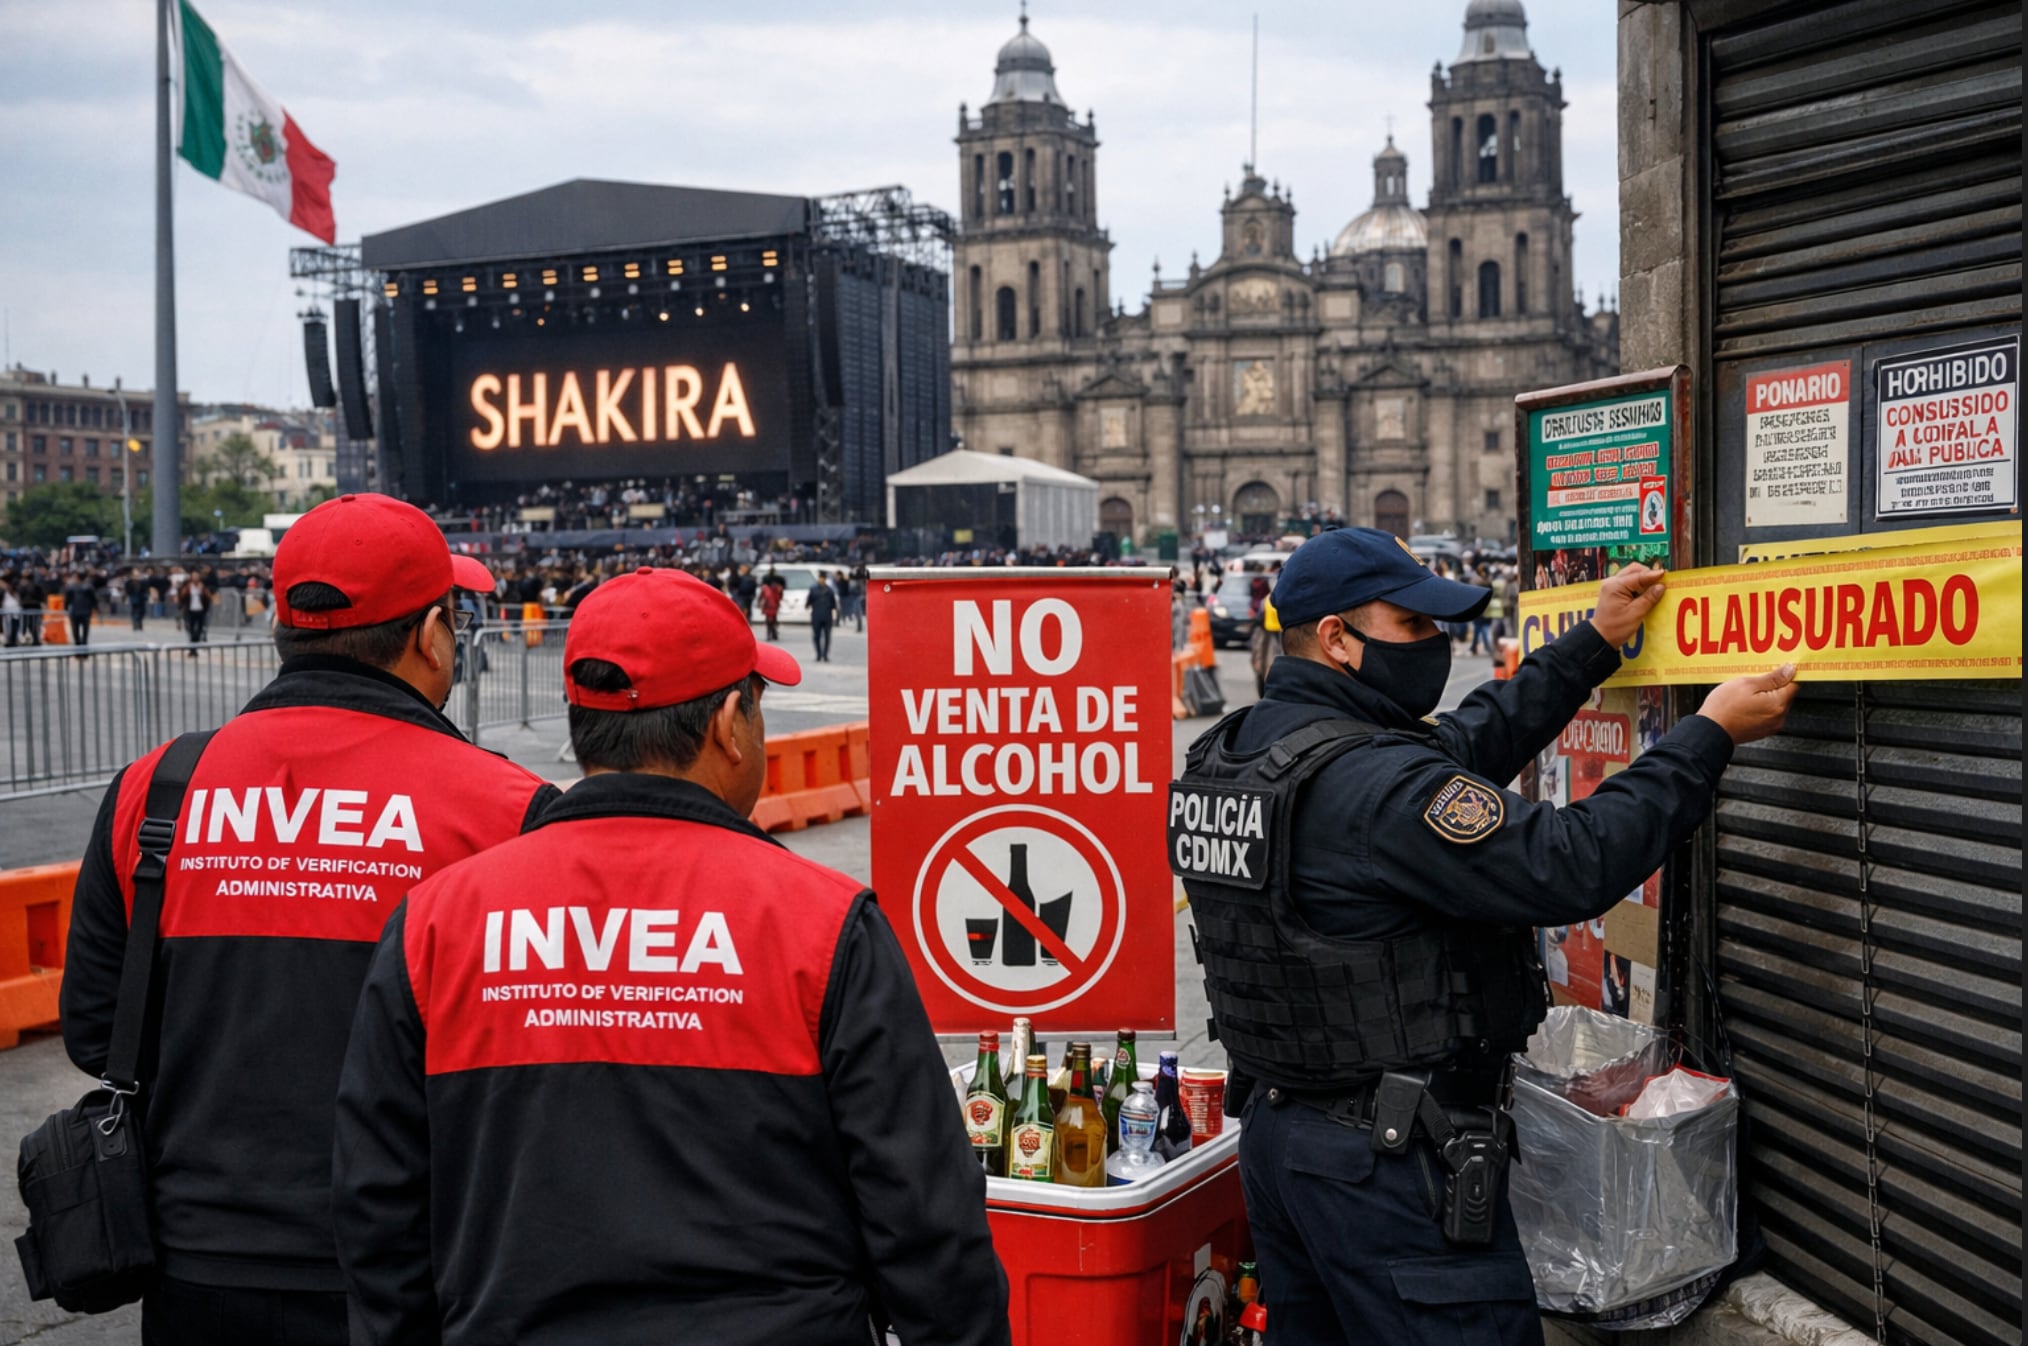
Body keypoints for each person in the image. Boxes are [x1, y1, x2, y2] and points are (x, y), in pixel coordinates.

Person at [332, 568, 1009, 1345]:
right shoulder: (825, 926)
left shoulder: (438, 924)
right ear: (728, 724)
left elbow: (378, 1205)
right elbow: (927, 1220)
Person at [1169, 527, 1798, 1346]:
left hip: (1283, 1143)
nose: (1434, 641)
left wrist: (1593, 641)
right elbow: (1570, 862)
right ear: (1336, 639)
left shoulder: (1238, 755)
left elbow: (1466, 741)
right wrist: (1706, 736)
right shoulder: (1374, 784)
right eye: (1411, 625)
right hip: (1391, 1169)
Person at [60, 493, 560, 1346]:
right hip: (420, 1268)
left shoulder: (158, 789)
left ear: (283, 624)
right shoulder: (509, 810)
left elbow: (95, 1029)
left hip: (196, 1264)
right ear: (432, 635)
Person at [808, 567, 838, 662]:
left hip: (827, 616)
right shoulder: (813, 589)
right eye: (820, 578)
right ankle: (818, 654)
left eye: (823, 578)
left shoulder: (829, 590)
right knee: (816, 636)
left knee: (827, 636)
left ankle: (825, 655)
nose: (821, 580)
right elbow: (809, 601)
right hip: (816, 615)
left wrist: (835, 617)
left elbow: (834, 605)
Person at [61, 571, 98, 649]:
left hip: (75, 611)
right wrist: (95, 608)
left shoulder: (71, 587)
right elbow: (94, 600)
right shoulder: (89, 587)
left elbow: (67, 600)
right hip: (86, 611)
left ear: (77, 577)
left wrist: (65, 609)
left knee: (75, 631)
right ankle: (84, 647)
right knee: (85, 631)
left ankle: (78, 647)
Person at [178, 571, 211, 653]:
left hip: (200, 610)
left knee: (199, 630)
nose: (195, 578)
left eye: (197, 576)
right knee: (191, 630)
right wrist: (181, 607)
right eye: (193, 576)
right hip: (190, 610)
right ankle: (193, 649)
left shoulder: (202, 586)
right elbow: (182, 597)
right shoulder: (187, 587)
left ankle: (194, 646)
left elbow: (207, 598)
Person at [758, 567, 784, 641]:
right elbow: (781, 595)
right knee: (773, 618)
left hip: (768, 604)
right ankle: (774, 633)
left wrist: (759, 602)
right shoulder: (778, 585)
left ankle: (770, 633)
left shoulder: (765, 587)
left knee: (768, 620)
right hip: (774, 604)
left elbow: (761, 595)